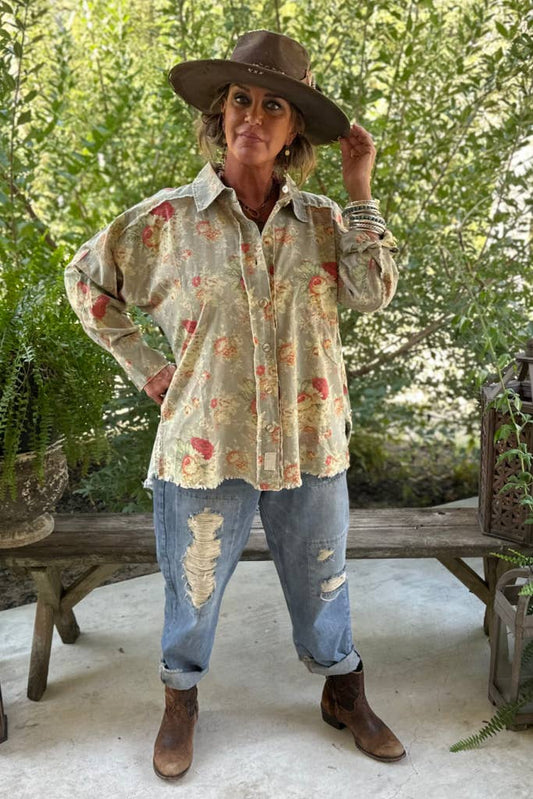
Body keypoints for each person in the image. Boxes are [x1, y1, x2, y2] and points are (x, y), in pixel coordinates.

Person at [64, 29, 404, 780]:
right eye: (239, 100)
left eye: (273, 105)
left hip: (308, 441)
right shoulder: (163, 221)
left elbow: (373, 292)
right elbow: (86, 282)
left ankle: (343, 688)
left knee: (323, 575)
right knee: (192, 584)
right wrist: (148, 367)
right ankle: (180, 699)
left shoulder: (322, 223)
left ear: (292, 133)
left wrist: (360, 189)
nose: (252, 115)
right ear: (218, 116)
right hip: (203, 442)